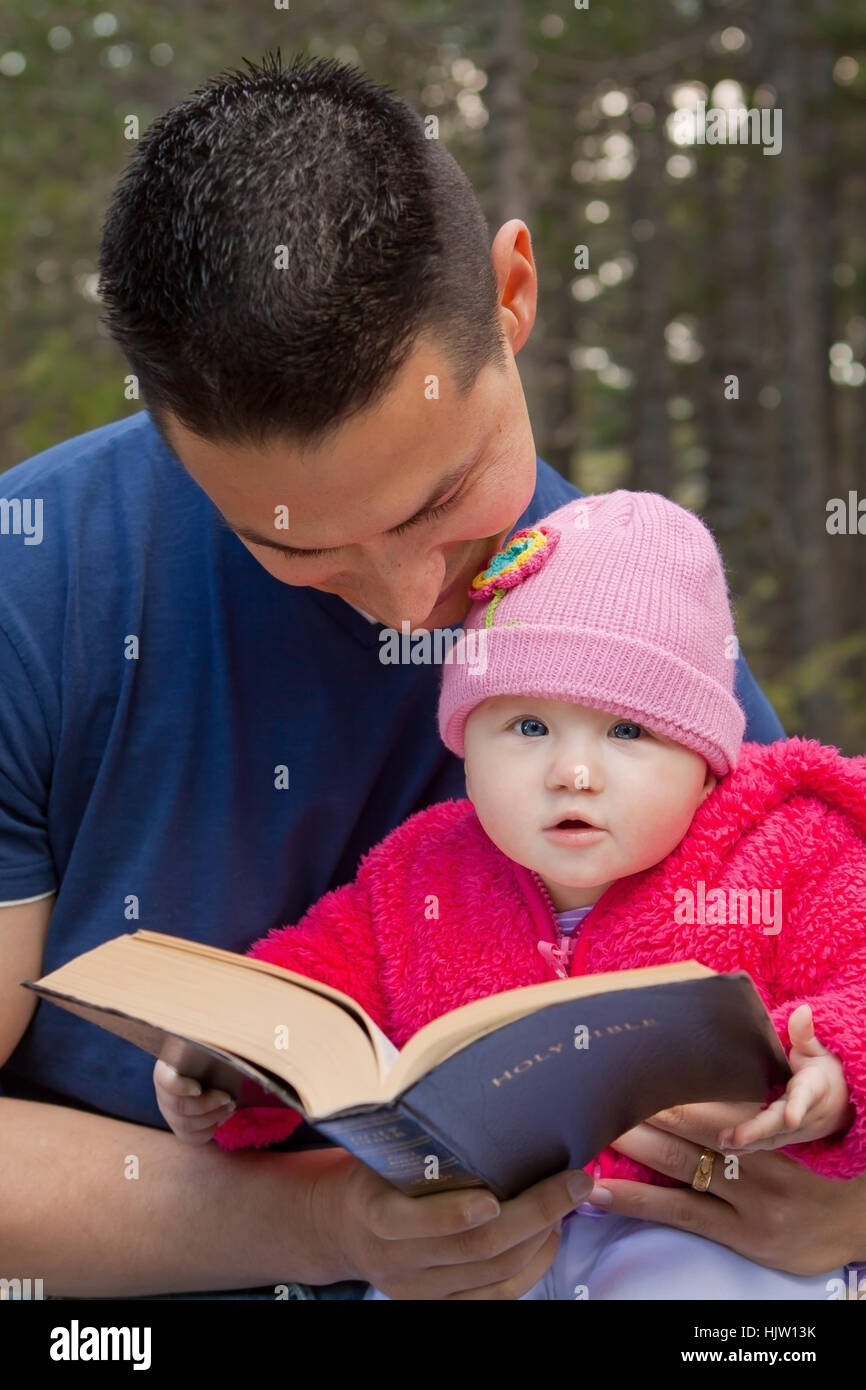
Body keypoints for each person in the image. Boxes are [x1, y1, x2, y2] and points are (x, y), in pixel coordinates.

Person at [2, 51, 864, 1303]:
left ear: (514, 292)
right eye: (293, 544)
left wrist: (821, 1220)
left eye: (447, 500)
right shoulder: (37, 587)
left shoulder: (636, 629)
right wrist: (331, 1224)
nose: (415, 607)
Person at [156, 490, 866, 1300]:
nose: (573, 772)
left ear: (707, 760)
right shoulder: (421, 871)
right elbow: (314, 982)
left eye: (627, 731)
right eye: (527, 727)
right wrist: (234, 1064)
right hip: (485, 1238)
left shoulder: (787, 851)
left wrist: (840, 1072)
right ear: (466, 745)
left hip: (700, 1221)